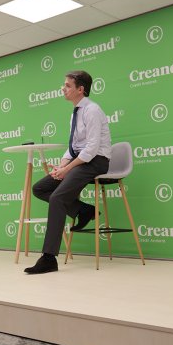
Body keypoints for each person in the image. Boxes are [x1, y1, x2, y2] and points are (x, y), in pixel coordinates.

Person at [24, 71, 112, 274]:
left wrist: (67, 169)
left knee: (57, 198)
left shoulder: (92, 110)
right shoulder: (75, 113)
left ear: (81, 89)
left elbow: (91, 149)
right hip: (80, 160)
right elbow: (73, 147)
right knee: (40, 188)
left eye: (68, 86)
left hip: (96, 161)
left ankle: (49, 258)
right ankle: (82, 210)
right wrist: (62, 166)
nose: (63, 89)